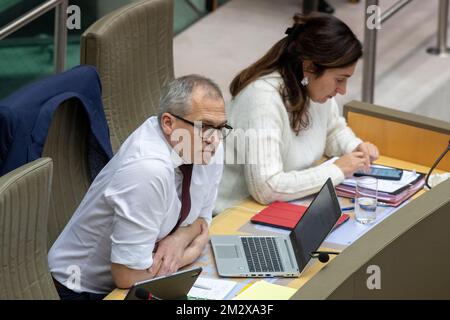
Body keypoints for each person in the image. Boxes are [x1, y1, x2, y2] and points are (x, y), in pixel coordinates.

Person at [48, 75, 230, 299]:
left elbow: (203, 220)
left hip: (145, 274)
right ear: (168, 123)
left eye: (221, 128)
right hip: (82, 289)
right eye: (204, 127)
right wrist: (190, 252)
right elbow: (127, 276)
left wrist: (181, 238)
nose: (214, 139)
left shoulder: (206, 148)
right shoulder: (147, 170)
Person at [214, 12, 379, 215]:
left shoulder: (311, 88)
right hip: (233, 213)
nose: (343, 90)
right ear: (309, 67)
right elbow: (267, 187)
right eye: (339, 79)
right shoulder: (262, 99)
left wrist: (354, 148)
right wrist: (337, 169)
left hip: (278, 207)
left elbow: (332, 131)